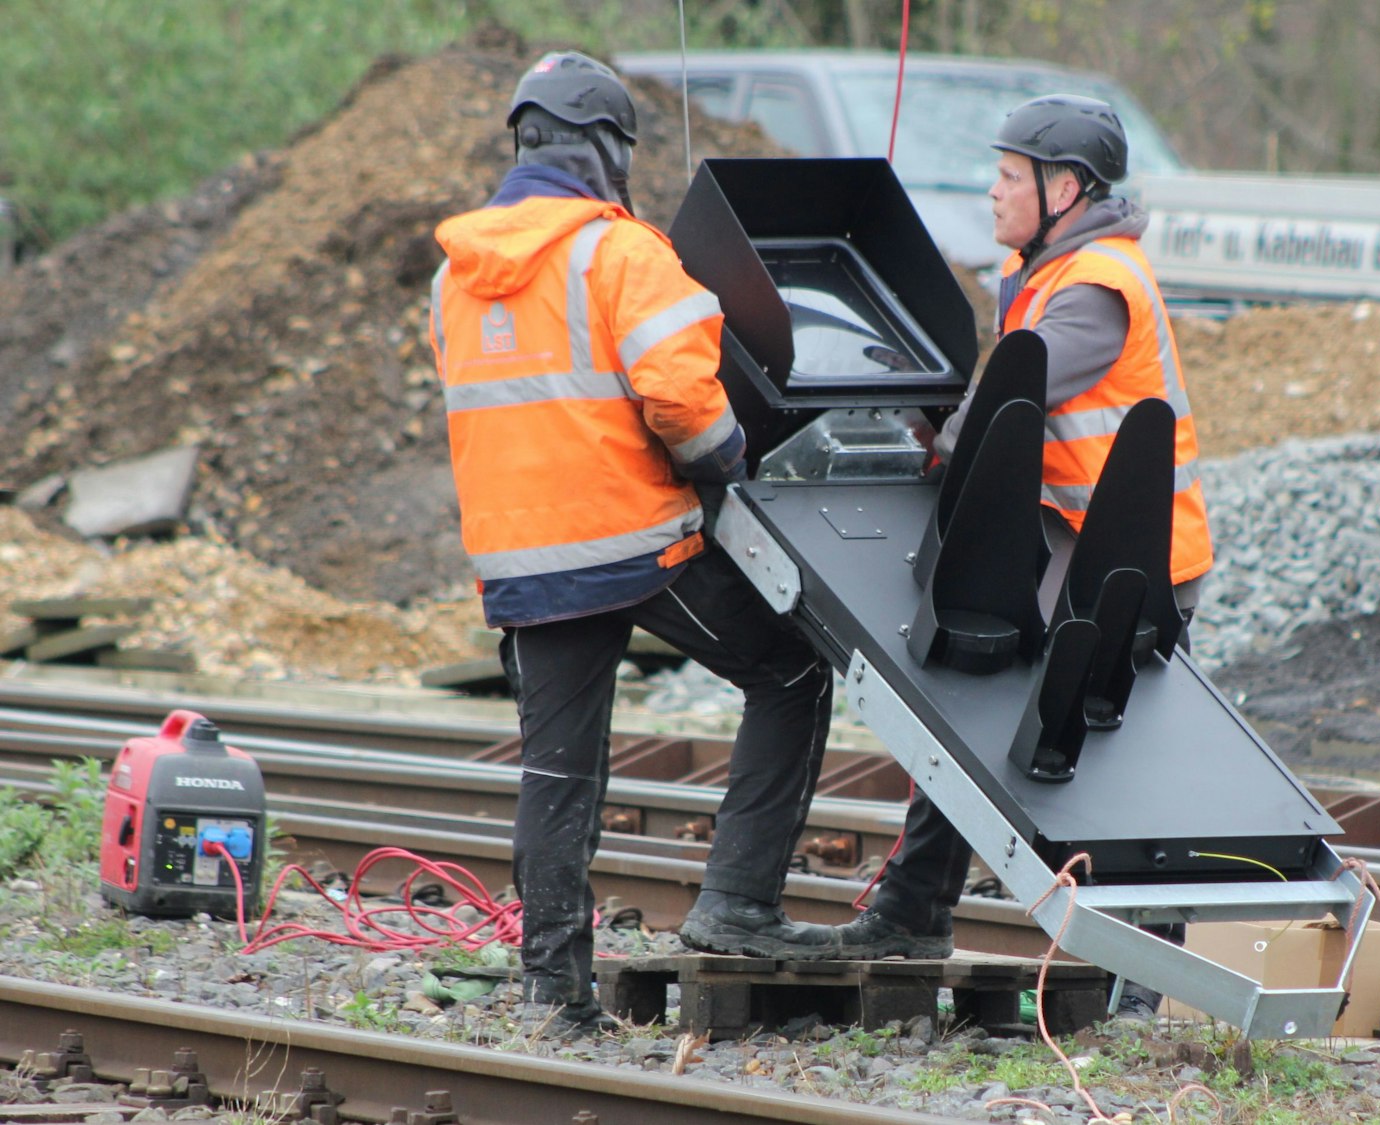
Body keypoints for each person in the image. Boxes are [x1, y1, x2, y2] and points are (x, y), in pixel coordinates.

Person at [429, 50, 841, 1038]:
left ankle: (553, 994)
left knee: (558, 773)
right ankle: (738, 903)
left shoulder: (456, 272)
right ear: (606, 147)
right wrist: (730, 461)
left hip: (524, 565)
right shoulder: (622, 253)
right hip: (634, 543)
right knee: (792, 673)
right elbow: (684, 409)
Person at [835, 94, 1214, 1022]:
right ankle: (912, 906)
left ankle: (1148, 981)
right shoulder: (1046, 268)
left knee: (1125, 761)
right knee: (964, 696)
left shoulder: (1097, 286)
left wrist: (944, 440)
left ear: (1066, 188)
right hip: (1071, 546)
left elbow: (1022, 388)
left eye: (1009, 177)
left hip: (1136, 565)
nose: (994, 192)